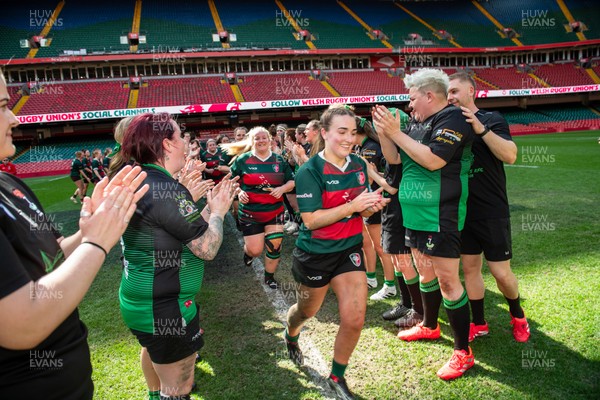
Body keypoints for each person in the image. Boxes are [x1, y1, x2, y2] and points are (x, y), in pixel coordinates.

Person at [0, 68, 149, 399]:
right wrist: (98, 242)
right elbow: (21, 324)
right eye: (2, 106)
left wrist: (90, 229)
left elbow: (54, 258)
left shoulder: (10, 185)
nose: (14, 118)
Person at [118, 113, 237, 400]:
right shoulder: (165, 188)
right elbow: (206, 248)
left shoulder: (146, 179)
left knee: (163, 372)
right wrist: (219, 211)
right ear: (167, 145)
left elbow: (180, 233)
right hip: (164, 308)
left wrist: (203, 208)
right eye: (180, 136)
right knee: (178, 391)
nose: (186, 142)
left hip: (148, 300)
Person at [373, 68, 475, 380]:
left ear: (429, 96)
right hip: (414, 215)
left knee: (447, 280)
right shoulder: (417, 124)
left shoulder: (453, 119)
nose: (409, 105)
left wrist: (397, 132)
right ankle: (430, 326)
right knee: (424, 271)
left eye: (412, 98)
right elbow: (394, 161)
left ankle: (463, 352)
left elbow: (434, 160)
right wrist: (384, 132)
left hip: (439, 215)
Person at [285, 104, 389, 400]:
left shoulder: (358, 164)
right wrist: (353, 207)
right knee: (306, 311)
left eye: (353, 132)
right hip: (315, 253)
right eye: (341, 131)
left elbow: (360, 203)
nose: (348, 138)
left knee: (355, 317)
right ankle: (291, 334)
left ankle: (336, 376)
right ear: (325, 133)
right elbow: (311, 220)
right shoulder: (309, 171)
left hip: (348, 251)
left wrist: (369, 206)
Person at [448, 71, 530, 342]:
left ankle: (518, 315)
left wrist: (480, 129)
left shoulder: (491, 119)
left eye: (455, 91)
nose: (450, 97)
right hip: (463, 211)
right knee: (470, 269)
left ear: (471, 91)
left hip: (492, 210)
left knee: (500, 272)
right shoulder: (448, 125)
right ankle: (479, 322)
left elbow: (510, 155)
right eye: (447, 93)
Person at [222, 126, 295, 289]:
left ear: (270, 140)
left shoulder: (279, 160)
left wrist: (282, 189)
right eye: (257, 138)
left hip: (274, 212)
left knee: (275, 246)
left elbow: (292, 181)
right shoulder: (242, 160)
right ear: (251, 141)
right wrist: (239, 192)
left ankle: (269, 277)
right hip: (251, 213)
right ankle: (248, 253)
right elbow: (231, 182)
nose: (261, 140)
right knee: (255, 251)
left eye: (264, 137)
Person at [377, 109, 425, 329]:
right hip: (392, 211)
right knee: (397, 260)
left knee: (404, 261)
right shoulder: (392, 148)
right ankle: (406, 303)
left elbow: (393, 187)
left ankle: (418, 309)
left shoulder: (399, 150)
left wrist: (371, 173)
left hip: (399, 210)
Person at [353, 114, 397, 299]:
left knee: (380, 247)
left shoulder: (370, 149)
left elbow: (376, 177)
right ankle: (380, 281)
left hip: (379, 200)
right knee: (375, 245)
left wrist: (372, 195)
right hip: (375, 199)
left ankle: (390, 286)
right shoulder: (366, 146)